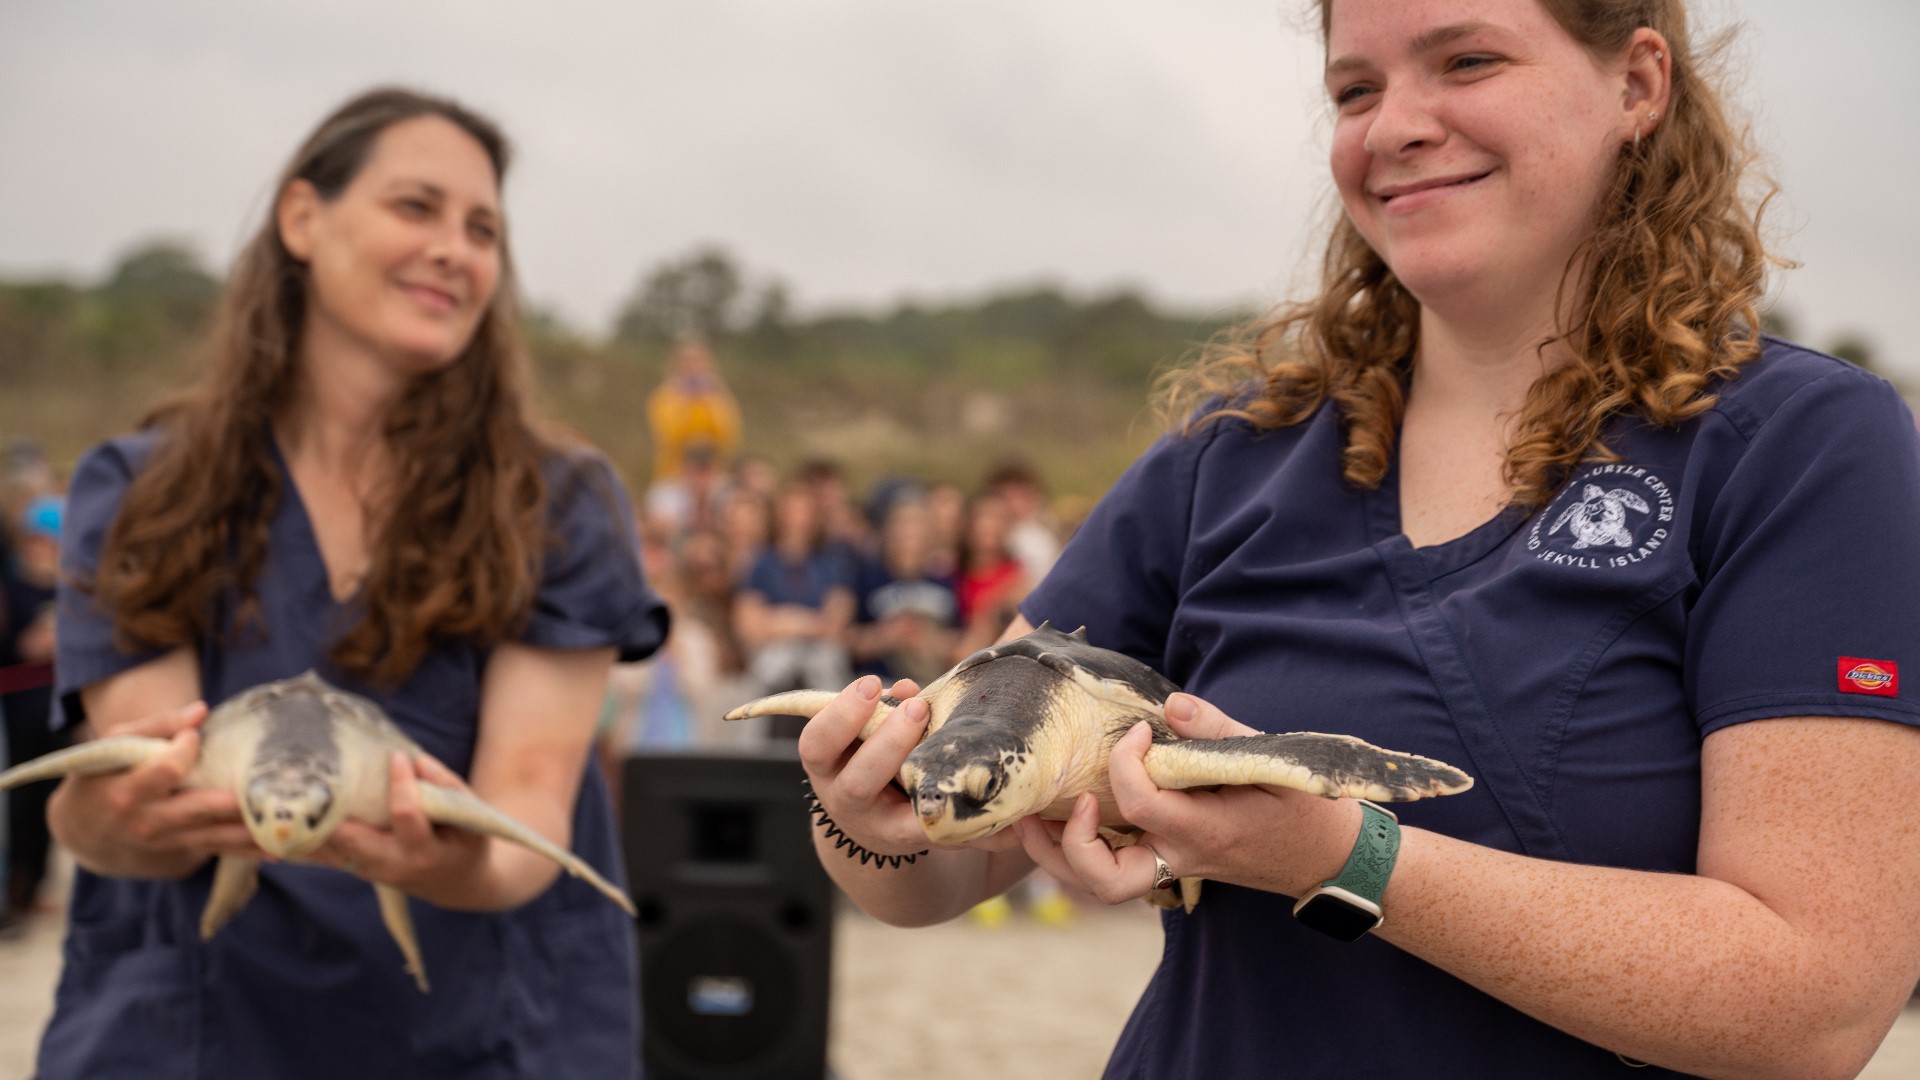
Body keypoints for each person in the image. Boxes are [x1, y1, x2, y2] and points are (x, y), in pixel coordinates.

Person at [788, 3, 1920, 1077]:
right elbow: (936, 872)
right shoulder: (1228, 460)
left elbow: (1813, 1005)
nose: (1398, 125)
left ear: (1636, 81)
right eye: (1355, 88)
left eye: (1466, 60)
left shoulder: (1799, 449)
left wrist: (1350, 858)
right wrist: (866, 816)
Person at [41, 87, 668, 1079]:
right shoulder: (139, 487)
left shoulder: (559, 500)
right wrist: (101, 818)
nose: (454, 251)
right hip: (194, 1026)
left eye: (482, 230)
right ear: (302, 218)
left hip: (487, 1024)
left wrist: (453, 854)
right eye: (415, 207)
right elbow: (130, 795)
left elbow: (528, 811)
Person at [644, 335, 741, 485]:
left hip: (712, 474)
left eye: (699, 362)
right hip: (673, 475)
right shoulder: (664, 397)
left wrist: (711, 401)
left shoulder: (718, 396)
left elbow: (729, 436)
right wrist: (683, 403)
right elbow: (668, 437)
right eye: (688, 363)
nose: (694, 368)